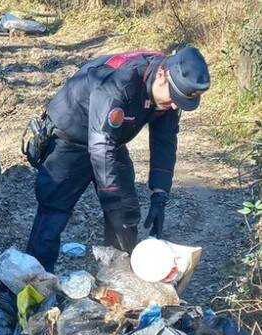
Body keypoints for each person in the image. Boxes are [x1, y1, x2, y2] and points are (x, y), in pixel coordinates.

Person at [26, 47, 210, 273]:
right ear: (162, 75)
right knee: (53, 213)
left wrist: (160, 196)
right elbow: (100, 147)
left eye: (181, 101)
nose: (175, 106)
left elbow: (165, 141)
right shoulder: (121, 84)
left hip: (110, 139)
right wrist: (110, 200)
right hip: (70, 136)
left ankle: (119, 280)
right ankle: (35, 286)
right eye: (175, 97)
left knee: (125, 214)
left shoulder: (169, 94)